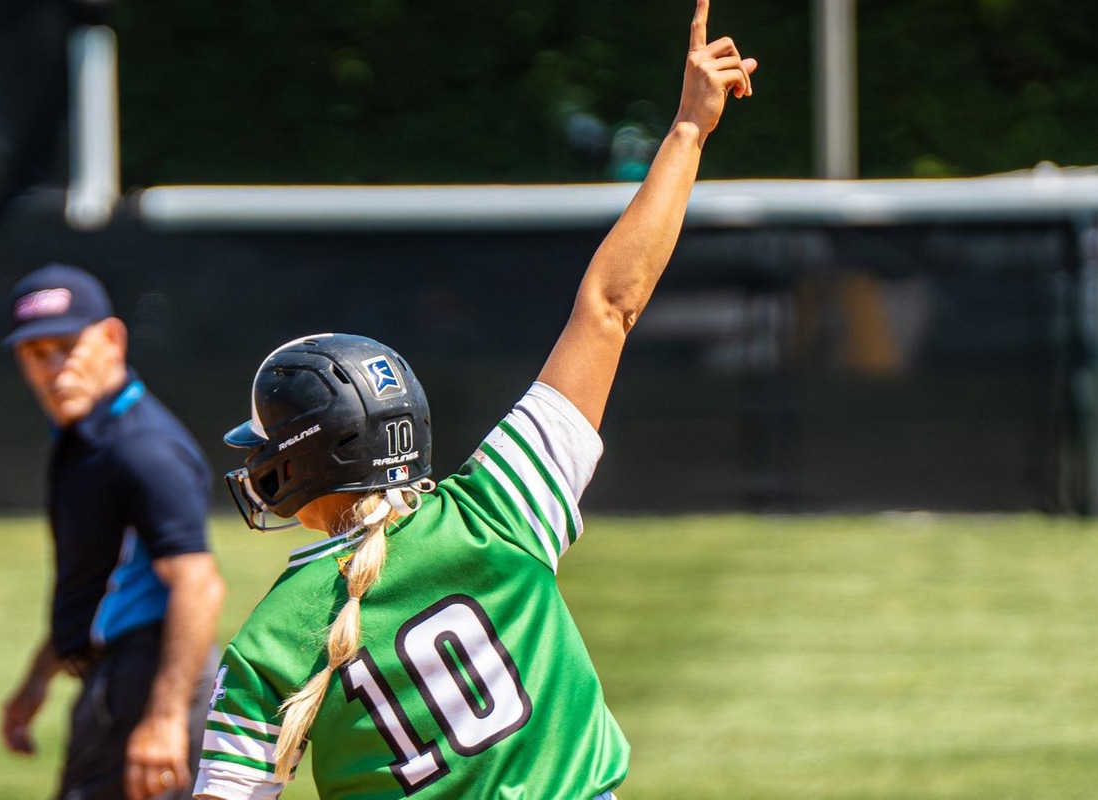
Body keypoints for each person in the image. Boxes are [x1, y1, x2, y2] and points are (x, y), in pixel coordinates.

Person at [192, 3, 755, 797]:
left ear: (300, 463)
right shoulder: (501, 507)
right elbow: (608, 306)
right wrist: (688, 132)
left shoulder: (271, 643)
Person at [0, 263, 228, 800]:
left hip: (147, 679)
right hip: (116, 679)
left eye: (66, 346)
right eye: (35, 354)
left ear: (112, 339)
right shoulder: (88, 439)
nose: (53, 368)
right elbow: (98, 579)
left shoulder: (142, 449)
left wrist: (165, 718)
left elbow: (199, 584)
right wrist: (38, 679)